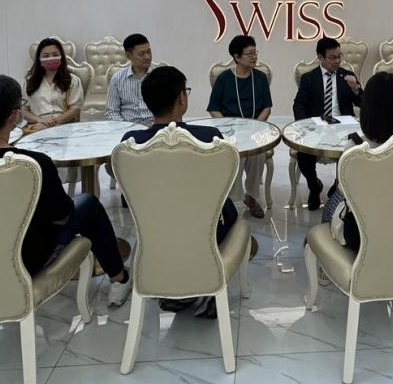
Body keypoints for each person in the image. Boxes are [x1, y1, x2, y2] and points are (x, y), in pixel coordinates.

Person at [0, 75, 132, 307]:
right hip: (26, 259)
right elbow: (61, 215)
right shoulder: (33, 164)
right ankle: (119, 278)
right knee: (88, 204)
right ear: (15, 116)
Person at [122, 65, 238, 319]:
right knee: (229, 211)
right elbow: (224, 186)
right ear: (182, 99)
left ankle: (174, 287)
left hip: (154, 231)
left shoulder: (131, 143)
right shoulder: (209, 137)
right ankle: (207, 284)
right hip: (203, 229)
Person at [328, 72, 393, 253]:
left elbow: (345, 192)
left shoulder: (355, 148)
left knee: (333, 200)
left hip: (363, 235)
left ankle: (323, 249)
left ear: (368, 109)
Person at [292, 36, 363, 210]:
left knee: (355, 149)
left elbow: (363, 103)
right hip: (317, 126)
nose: (337, 61)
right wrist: (305, 126)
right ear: (320, 57)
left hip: (344, 127)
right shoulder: (309, 78)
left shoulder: (347, 76)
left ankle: (338, 185)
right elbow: (298, 104)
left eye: (339, 56)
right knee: (303, 153)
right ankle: (314, 186)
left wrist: (355, 88)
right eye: (332, 57)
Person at [207, 35, 273, 218]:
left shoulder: (260, 77)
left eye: (255, 52)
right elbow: (213, 108)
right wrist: (226, 128)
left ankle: (251, 197)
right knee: (234, 152)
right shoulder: (224, 78)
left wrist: (256, 127)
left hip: (254, 129)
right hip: (230, 131)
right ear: (236, 56)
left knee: (258, 152)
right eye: (249, 54)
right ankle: (232, 199)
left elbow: (267, 107)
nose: (254, 57)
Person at [21, 38, 83, 132]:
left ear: (61, 56)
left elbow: (75, 110)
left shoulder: (73, 80)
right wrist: (40, 120)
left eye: (55, 55)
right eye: (46, 56)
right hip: (36, 126)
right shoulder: (29, 81)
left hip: (65, 126)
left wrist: (52, 124)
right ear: (39, 59)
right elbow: (23, 111)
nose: (51, 58)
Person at [105, 33, 155, 124]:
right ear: (128, 56)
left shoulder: (160, 76)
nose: (147, 57)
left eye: (149, 52)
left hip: (155, 127)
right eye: (142, 54)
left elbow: (170, 109)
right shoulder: (117, 78)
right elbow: (111, 112)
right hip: (128, 126)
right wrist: (125, 127)